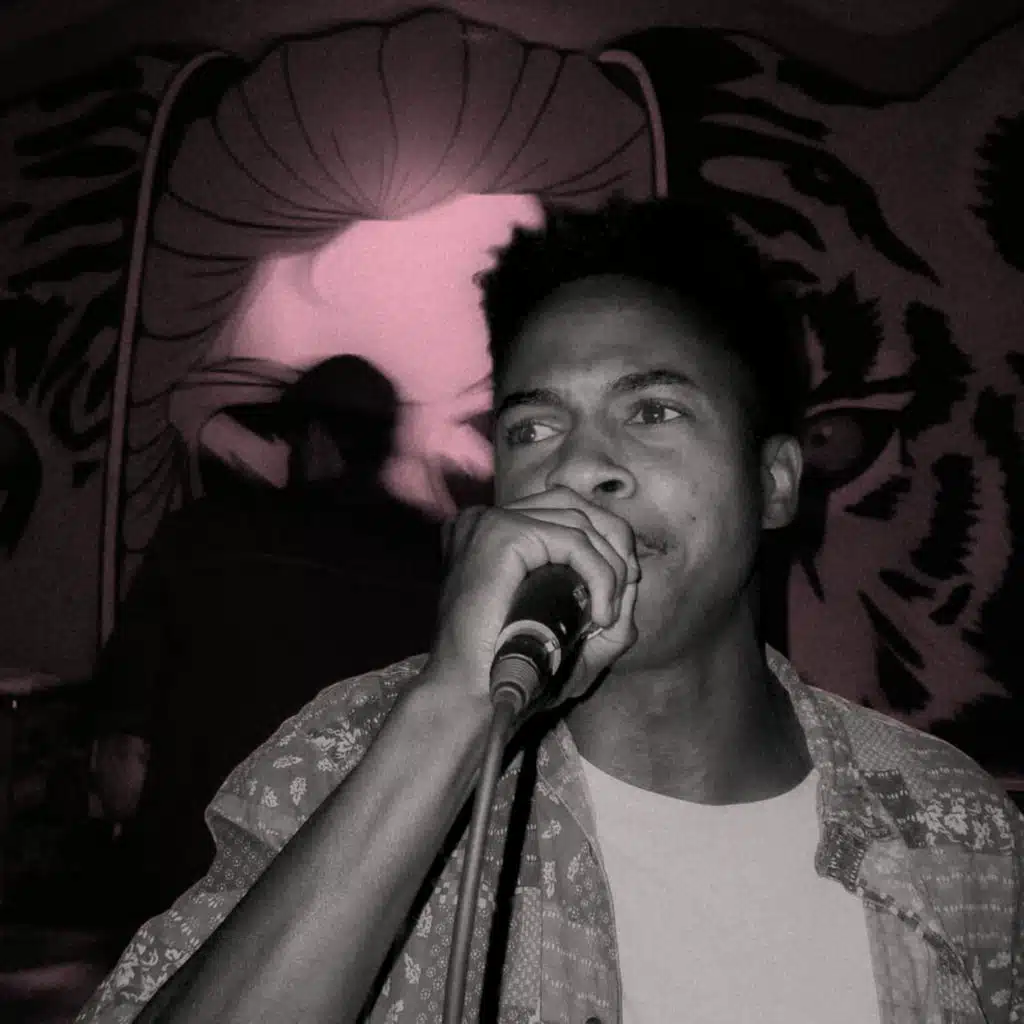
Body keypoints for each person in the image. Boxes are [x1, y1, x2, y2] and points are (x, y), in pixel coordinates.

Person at [77, 196, 1023, 1024]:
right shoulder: (348, 754)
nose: (579, 466)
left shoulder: (951, 825)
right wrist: (449, 719)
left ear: (775, 483)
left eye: (653, 411)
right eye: (534, 428)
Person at [87, 354, 445, 934]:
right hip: (355, 902)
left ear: (317, 440)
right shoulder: (437, 563)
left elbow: (122, 768)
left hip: (195, 887)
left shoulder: (205, 537)